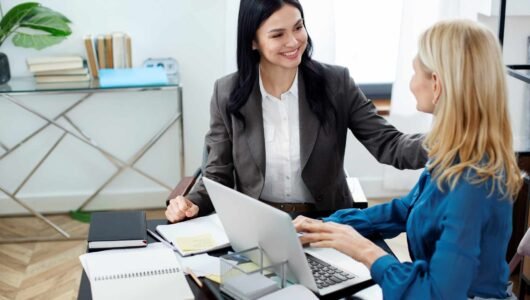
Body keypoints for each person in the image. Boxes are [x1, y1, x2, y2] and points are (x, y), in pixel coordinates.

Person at [294, 19, 522, 299]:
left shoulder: (472, 181)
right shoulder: (456, 153)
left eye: (415, 72)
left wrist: (365, 251)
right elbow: (408, 209)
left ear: (436, 84)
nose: (412, 85)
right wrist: (331, 226)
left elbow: (436, 294)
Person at [165, 0, 427, 223]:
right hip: (260, 223)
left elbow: (388, 144)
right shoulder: (227, 92)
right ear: (253, 41)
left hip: (326, 221)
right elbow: (217, 174)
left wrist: (450, 142)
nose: (294, 41)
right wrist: (191, 203)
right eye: (278, 34)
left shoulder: (335, 83)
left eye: (298, 27)